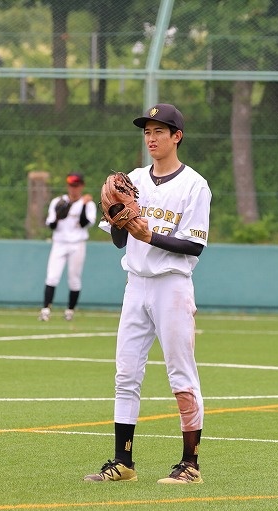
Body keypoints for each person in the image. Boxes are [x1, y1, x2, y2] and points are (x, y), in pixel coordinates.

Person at [84, 103, 211, 484]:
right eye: (146, 132)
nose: (151, 138)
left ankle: (190, 464)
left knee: (181, 376)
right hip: (135, 285)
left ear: (177, 136)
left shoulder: (194, 185)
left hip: (172, 286)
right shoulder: (134, 179)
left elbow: (195, 245)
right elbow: (119, 241)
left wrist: (149, 235)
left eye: (159, 131)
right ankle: (123, 462)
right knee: (126, 373)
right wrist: (117, 216)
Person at [39, 172, 97, 321]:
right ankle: (45, 310)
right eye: (71, 185)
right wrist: (58, 216)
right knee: (52, 276)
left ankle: (70, 311)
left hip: (77, 244)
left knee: (74, 278)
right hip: (59, 243)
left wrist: (83, 205)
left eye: (76, 185)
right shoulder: (58, 202)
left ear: (82, 186)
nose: (73, 188)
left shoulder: (88, 204)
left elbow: (84, 223)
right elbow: (51, 225)